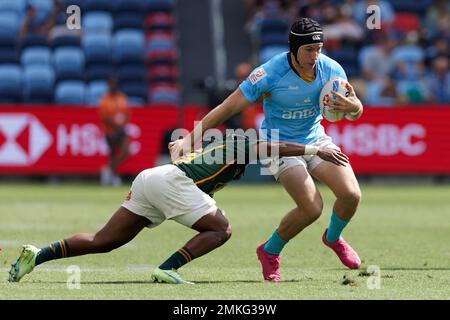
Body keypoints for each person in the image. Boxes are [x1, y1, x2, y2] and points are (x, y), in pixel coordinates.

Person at [8, 133, 349, 284]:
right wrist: (311, 150)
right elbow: (272, 146)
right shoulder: (243, 144)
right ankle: (168, 269)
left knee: (104, 240)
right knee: (221, 229)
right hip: (171, 183)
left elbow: (187, 162)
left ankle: (36, 256)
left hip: (152, 178)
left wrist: (178, 149)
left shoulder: (224, 147)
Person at [170, 17, 364, 282]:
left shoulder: (331, 69)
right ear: (294, 49)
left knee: (351, 195)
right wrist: (189, 138)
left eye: (318, 48)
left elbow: (355, 108)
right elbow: (228, 107)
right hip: (279, 145)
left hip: (316, 139)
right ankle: (270, 251)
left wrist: (353, 108)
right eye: (309, 49)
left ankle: (333, 238)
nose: (315, 55)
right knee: (311, 208)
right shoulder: (270, 73)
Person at [98, 78, 131, 186]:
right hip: (110, 131)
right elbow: (104, 117)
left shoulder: (121, 98)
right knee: (112, 154)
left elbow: (127, 113)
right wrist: (115, 125)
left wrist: (123, 123)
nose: (113, 86)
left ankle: (109, 170)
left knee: (126, 151)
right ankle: (113, 175)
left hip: (121, 130)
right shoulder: (105, 99)